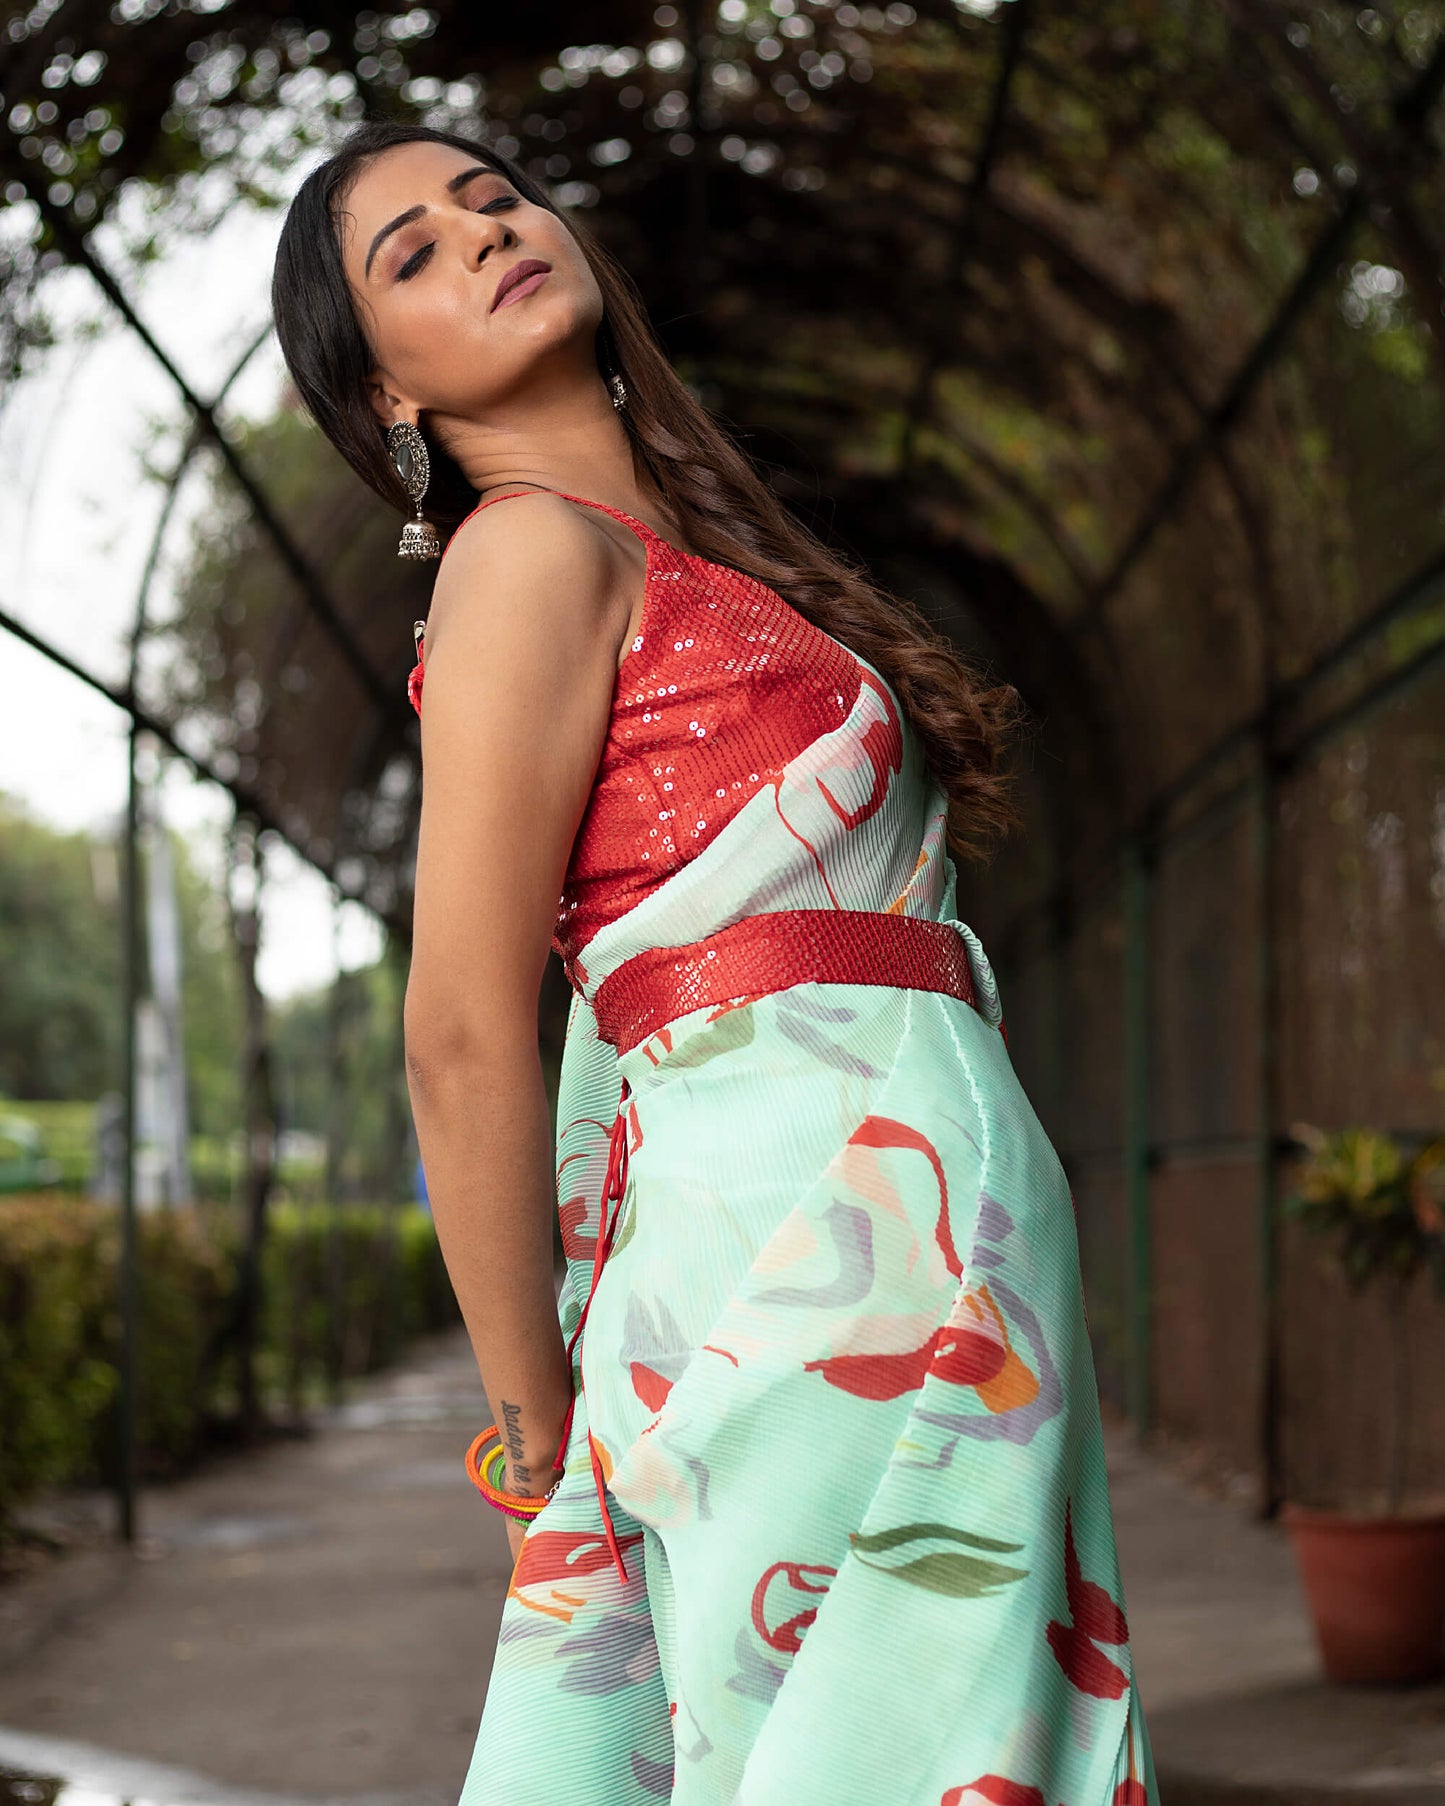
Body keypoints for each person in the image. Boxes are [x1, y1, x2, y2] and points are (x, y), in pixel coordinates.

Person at [271, 118, 1159, 1806]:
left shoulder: (690, 556)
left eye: (492, 197)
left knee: (952, 1736)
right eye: (411, 253)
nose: (482, 233)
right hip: (790, 1242)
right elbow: (460, 1029)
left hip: (932, 1210)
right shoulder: (525, 555)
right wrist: (544, 1442)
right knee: (867, 1744)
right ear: (387, 391)